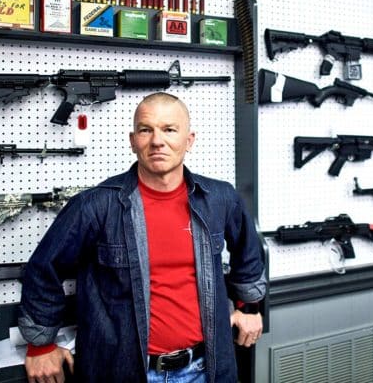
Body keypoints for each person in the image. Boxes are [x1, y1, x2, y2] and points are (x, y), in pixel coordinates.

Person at [18, 92, 267, 382]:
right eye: (146, 130)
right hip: (123, 372)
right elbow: (43, 267)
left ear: (189, 140)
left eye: (169, 130)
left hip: (207, 367)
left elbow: (248, 253)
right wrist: (40, 344)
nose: (157, 141)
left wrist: (248, 307)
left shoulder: (220, 198)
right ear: (132, 140)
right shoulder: (96, 205)